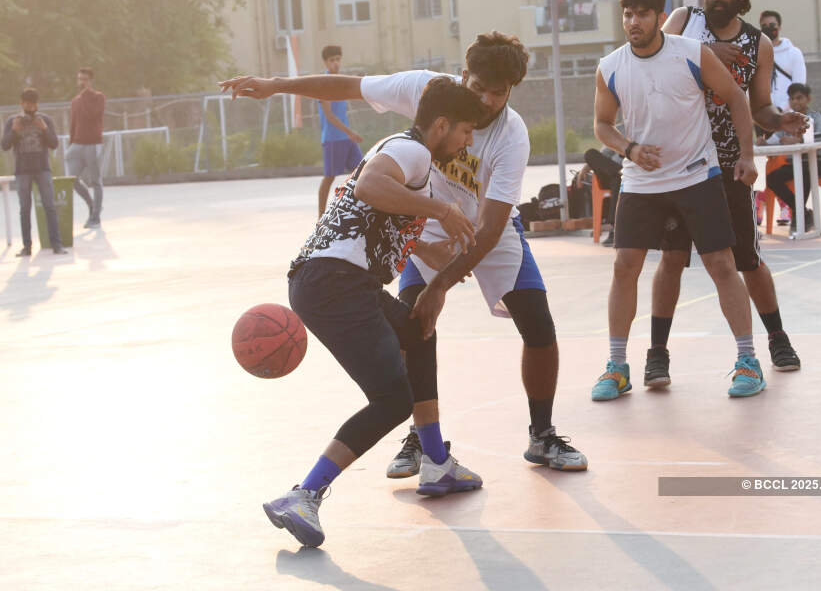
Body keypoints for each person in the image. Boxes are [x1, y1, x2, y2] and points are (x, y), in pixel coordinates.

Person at [220, 31, 589, 481]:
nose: (489, 101)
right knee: (415, 325)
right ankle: (423, 440)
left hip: (484, 222)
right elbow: (348, 87)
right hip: (426, 220)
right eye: (479, 89)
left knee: (537, 321)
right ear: (462, 75)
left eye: (500, 92)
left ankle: (542, 433)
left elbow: (490, 229)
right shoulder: (425, 91)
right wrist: (276, 84)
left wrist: (442, 283)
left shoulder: (512, 135)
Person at [261, 77, 484, 548]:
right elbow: (368, 187)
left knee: (420, 328)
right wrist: (441, 210)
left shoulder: (402, 150)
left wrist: (424, 246)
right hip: (335, 285)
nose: (467, 143)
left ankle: (437, 460)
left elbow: (370, 217)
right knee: (392, 400)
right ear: (441, 125)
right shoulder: (415, 152)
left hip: (334, 280)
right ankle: (304, 495)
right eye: (465, 132)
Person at [591, 0, 767, 402]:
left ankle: (748, 360)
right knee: (624, 266)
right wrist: (629, 148)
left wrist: (747, 155)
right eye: (628, 14)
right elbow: (601, 124)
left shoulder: (690, 54)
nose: (634, 22)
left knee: (722, 264)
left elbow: (736, 99)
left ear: (659, 16)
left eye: (642, 14)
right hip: (642, 182)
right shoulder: (610, 66)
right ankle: (617, 366)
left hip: (695, 175)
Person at [660, 0, 810, 380]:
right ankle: (657, 352)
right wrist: (706, 52)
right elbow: (650, 54)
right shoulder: (684, 20)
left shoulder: (757, 43)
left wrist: (778, 120)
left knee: (747, 257)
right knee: (672, 258)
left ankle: (778, 337)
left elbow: (759, 105)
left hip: (727, 163)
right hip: (678, 159)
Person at [2, 88, 66, 256]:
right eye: (27, 104)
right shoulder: (12, 121)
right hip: (22, 170)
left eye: (34, 104)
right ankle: (27, 246)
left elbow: (54, 144)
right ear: (21, 104)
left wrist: (44, 128)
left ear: (37, 104)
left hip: (42, 168)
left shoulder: (45, 120)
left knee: (49, 206)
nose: (31, 107)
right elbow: (4, 145)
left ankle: (57, 245)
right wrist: (14, 130)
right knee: (25, 208)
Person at [764, 83, 821, 231]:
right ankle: (803, 214)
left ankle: (799, 217)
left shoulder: (818, 116)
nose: (795, 102)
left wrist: (799, 140)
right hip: (794, 162)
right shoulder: (787, 120)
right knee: (772, 178)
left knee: (805, 174)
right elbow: (777, 137)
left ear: (808, 99)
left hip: (817, 161)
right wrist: (764, 142)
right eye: (792, 99)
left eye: (799, 98)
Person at [316, 46, 364, 217]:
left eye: (338, 59)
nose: (335, 63)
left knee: (361, 173)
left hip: (347, 138)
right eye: (332, 60)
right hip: (333, 139)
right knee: (329, 178)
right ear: (325, 62)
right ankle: (321, 217)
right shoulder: (324, 83)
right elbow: (328, 115)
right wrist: (349, 132)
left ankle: (356, 211)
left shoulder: (341, 80)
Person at [67, 67, 106, 228]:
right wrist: (71, 144)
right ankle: (92, 205)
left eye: (84, 79)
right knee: (72, 179)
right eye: (79, 79)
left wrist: (84, 97)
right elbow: (73, 123)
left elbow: (93, 114)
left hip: (93, 143)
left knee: (95, 180)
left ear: (90, 81)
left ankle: (95, 216)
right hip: (77, 144)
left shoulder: (98, 97)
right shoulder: (75, 101)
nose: (81, 82)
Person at [759, 10, 807, 112]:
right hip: (764, 116)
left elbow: (799, 86)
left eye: (772, 24)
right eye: (764, 25)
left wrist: (782, 108)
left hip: (788, 114)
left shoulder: (794, 53)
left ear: (779, 27)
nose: (768, 28)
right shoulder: (756, 54)